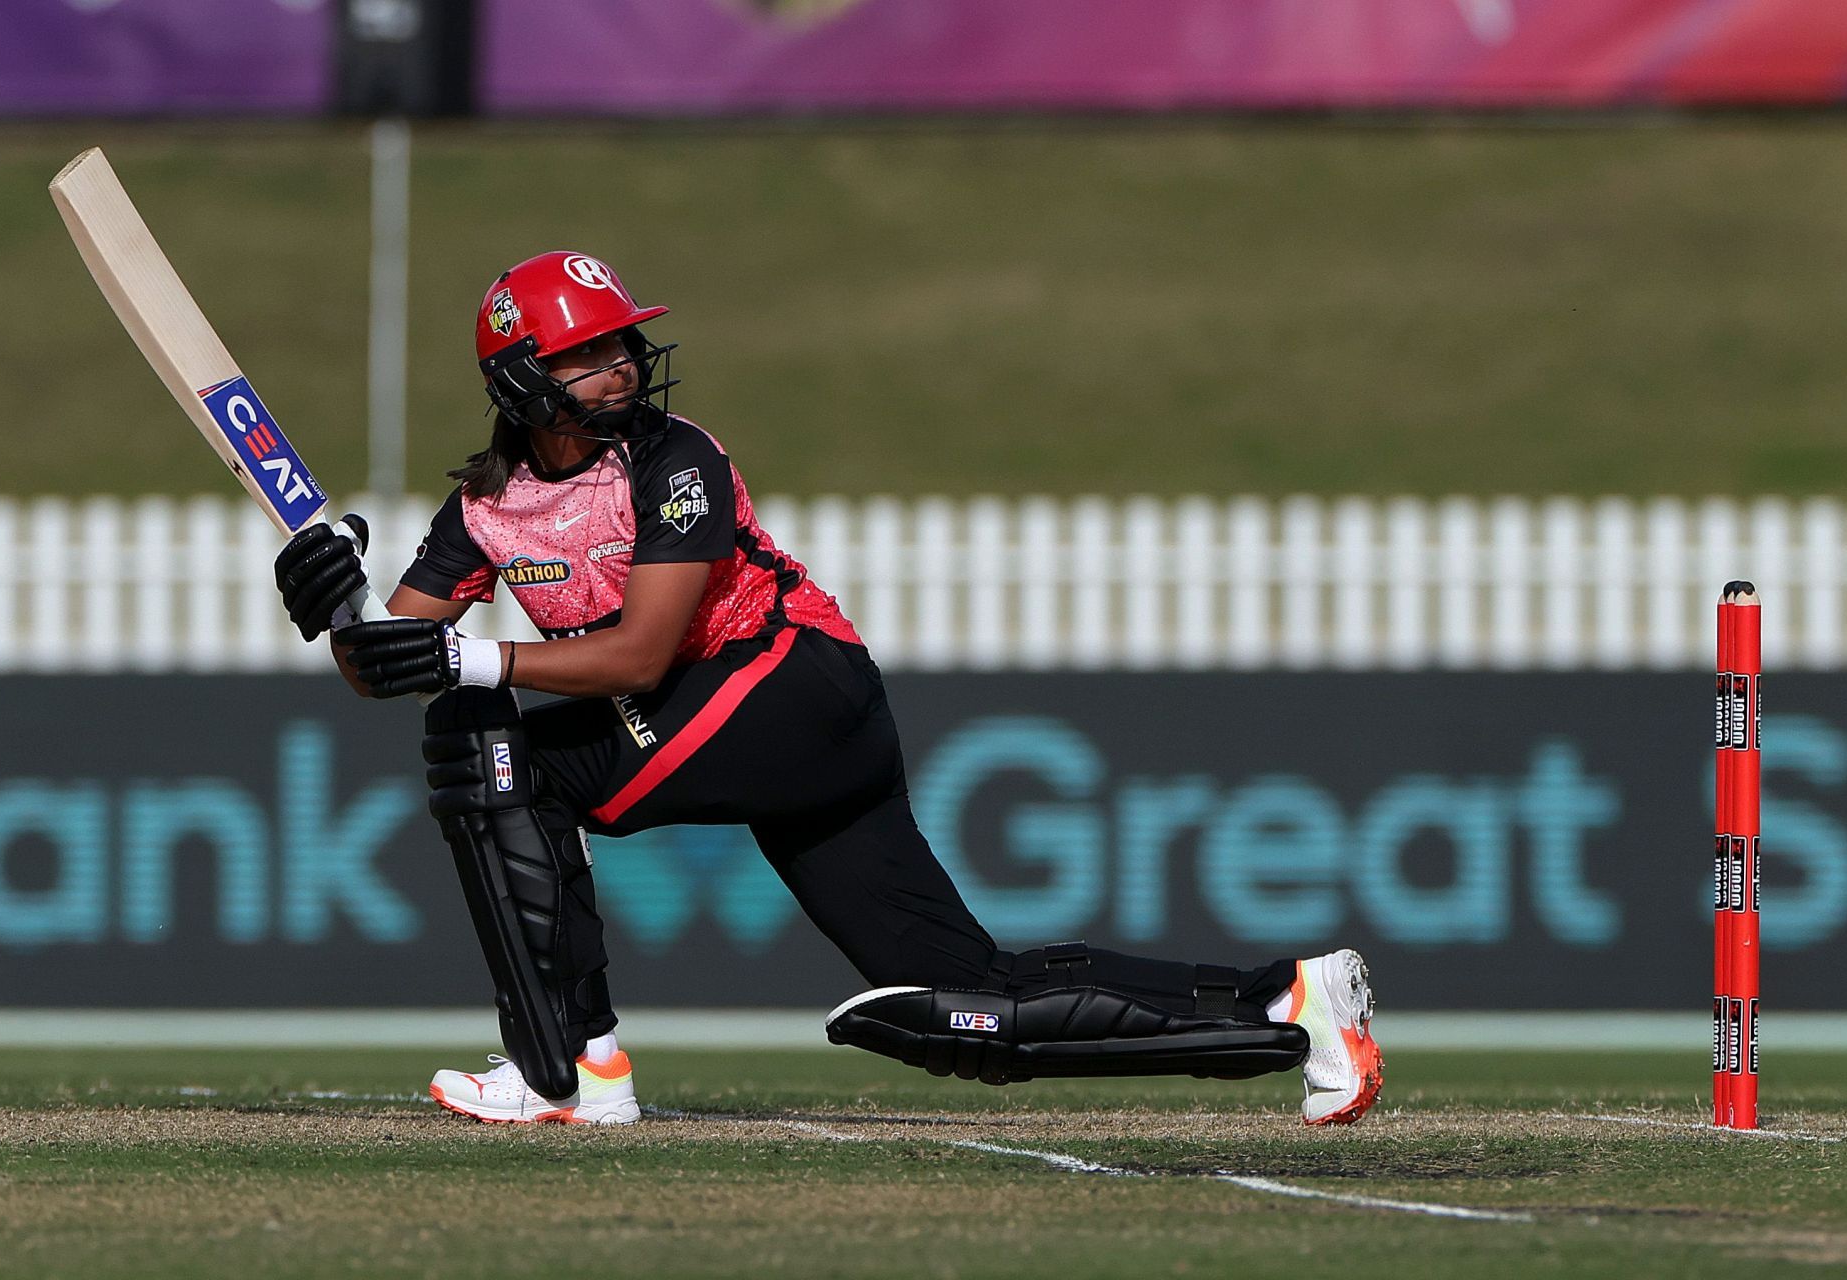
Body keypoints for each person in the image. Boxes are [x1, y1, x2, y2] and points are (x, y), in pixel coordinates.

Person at [272, 251, 1382, 1129]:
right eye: (592, 352)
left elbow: (643, 656)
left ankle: (569, 1067)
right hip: (761, 726)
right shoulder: (481, 512)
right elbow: (389, 662)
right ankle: (1292, 1005)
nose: (624, 364)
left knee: (496, 748)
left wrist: (470, 659)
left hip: (795, 682)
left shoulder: (675, 461)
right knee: (968, 1008)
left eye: (624, 343)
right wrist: (339, 609)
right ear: (522, 379)